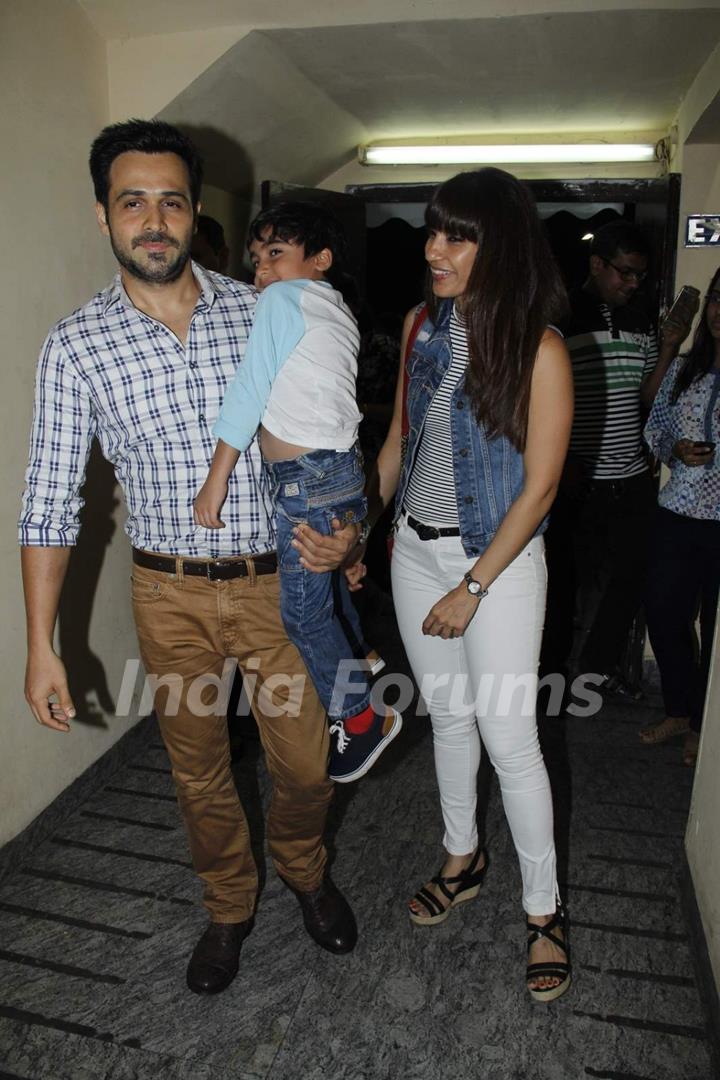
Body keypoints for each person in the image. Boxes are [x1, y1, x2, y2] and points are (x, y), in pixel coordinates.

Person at [18, 119, 359, 998]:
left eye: (172, 200)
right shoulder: (76, 346)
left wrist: (348, 532)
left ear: (193, 209)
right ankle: (228, 903)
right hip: (167, 595)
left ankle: (303, 869)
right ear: (104, 216)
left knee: (306, 764)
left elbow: (330, 427)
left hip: (276, 584)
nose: (155, 220)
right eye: (133, 202)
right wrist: (42, 643)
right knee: (198, 769)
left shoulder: (265, 307)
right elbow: (50, 499)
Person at [348, 168, 574, 1001]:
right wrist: (363, 534)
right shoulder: (418, 329)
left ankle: (544, 912)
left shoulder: (539, 348)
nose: (432, 249)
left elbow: (540, 488)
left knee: (511, 738)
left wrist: (471, 587)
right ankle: (462, 857)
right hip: (415, 552)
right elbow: (397, 449)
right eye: (432, 231)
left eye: (456, 235)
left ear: (500, 244)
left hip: (499, 566)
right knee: (450, 720)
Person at [194, 201, 400, 783]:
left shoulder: (284, 300)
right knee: (329, 587)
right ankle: (359, 656)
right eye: (256, 261)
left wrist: (217, 478)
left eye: (276, 256)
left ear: (321, 259)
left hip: (307, 481)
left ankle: (361, 719)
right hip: (335, 473)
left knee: (302, 616)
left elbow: (250, 388)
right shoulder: (334, 308)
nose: (261, 273)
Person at [544, 221, 677, 695]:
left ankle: (596, 672)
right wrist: (561, 463)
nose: (633, 284)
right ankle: (550, 680)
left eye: (640, 276)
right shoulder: (562, 316)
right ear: (597, 264)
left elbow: (646, 397)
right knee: (562, 585)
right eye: (625, 273)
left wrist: (667, 351)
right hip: (576, 476)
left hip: (633, 477)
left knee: (630, 580)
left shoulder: (642, 317)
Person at [640, 268, 720, 766]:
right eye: (716, 299)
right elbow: (656, 424)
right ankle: (678, 709)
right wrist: (676, 448)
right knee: (664, 613)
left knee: (713, 629)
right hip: (678, 512)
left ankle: (702, 727)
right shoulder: (687, 368)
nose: (718, 311)